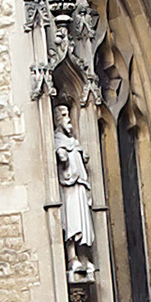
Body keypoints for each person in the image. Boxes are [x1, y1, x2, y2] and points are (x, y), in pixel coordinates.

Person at [54, 104, 94, 268]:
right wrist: (62, 154)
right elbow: (62, 158)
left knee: (83, 224)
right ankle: (72, 257)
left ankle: (84, 257)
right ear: (57, 120)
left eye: (68, 115)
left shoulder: (74, 142)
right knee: (72, 224)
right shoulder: (58, 141)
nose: (68, 119)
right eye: (64, 116)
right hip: (68, 189)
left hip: (80, 187)